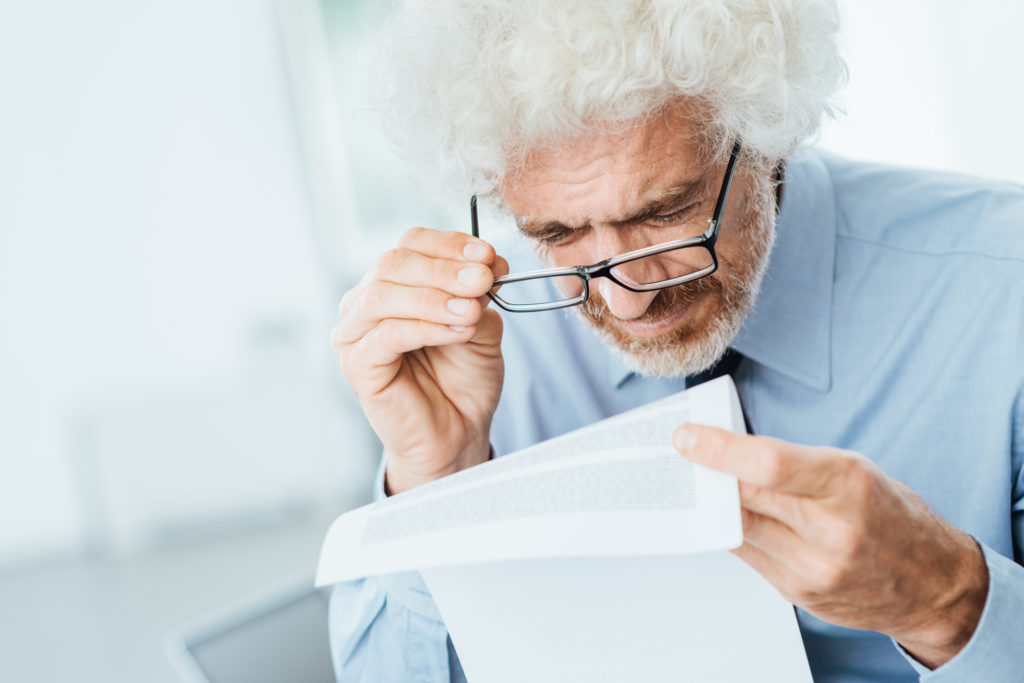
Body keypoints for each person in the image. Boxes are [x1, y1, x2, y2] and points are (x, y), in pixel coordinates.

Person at [327, 1, 1024, 681]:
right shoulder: (482, 352)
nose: (625, 296)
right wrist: (436, 482)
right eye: (558, 233)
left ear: (765, 137)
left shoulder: (1003, 289)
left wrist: (952, 600)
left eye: (666, 213)